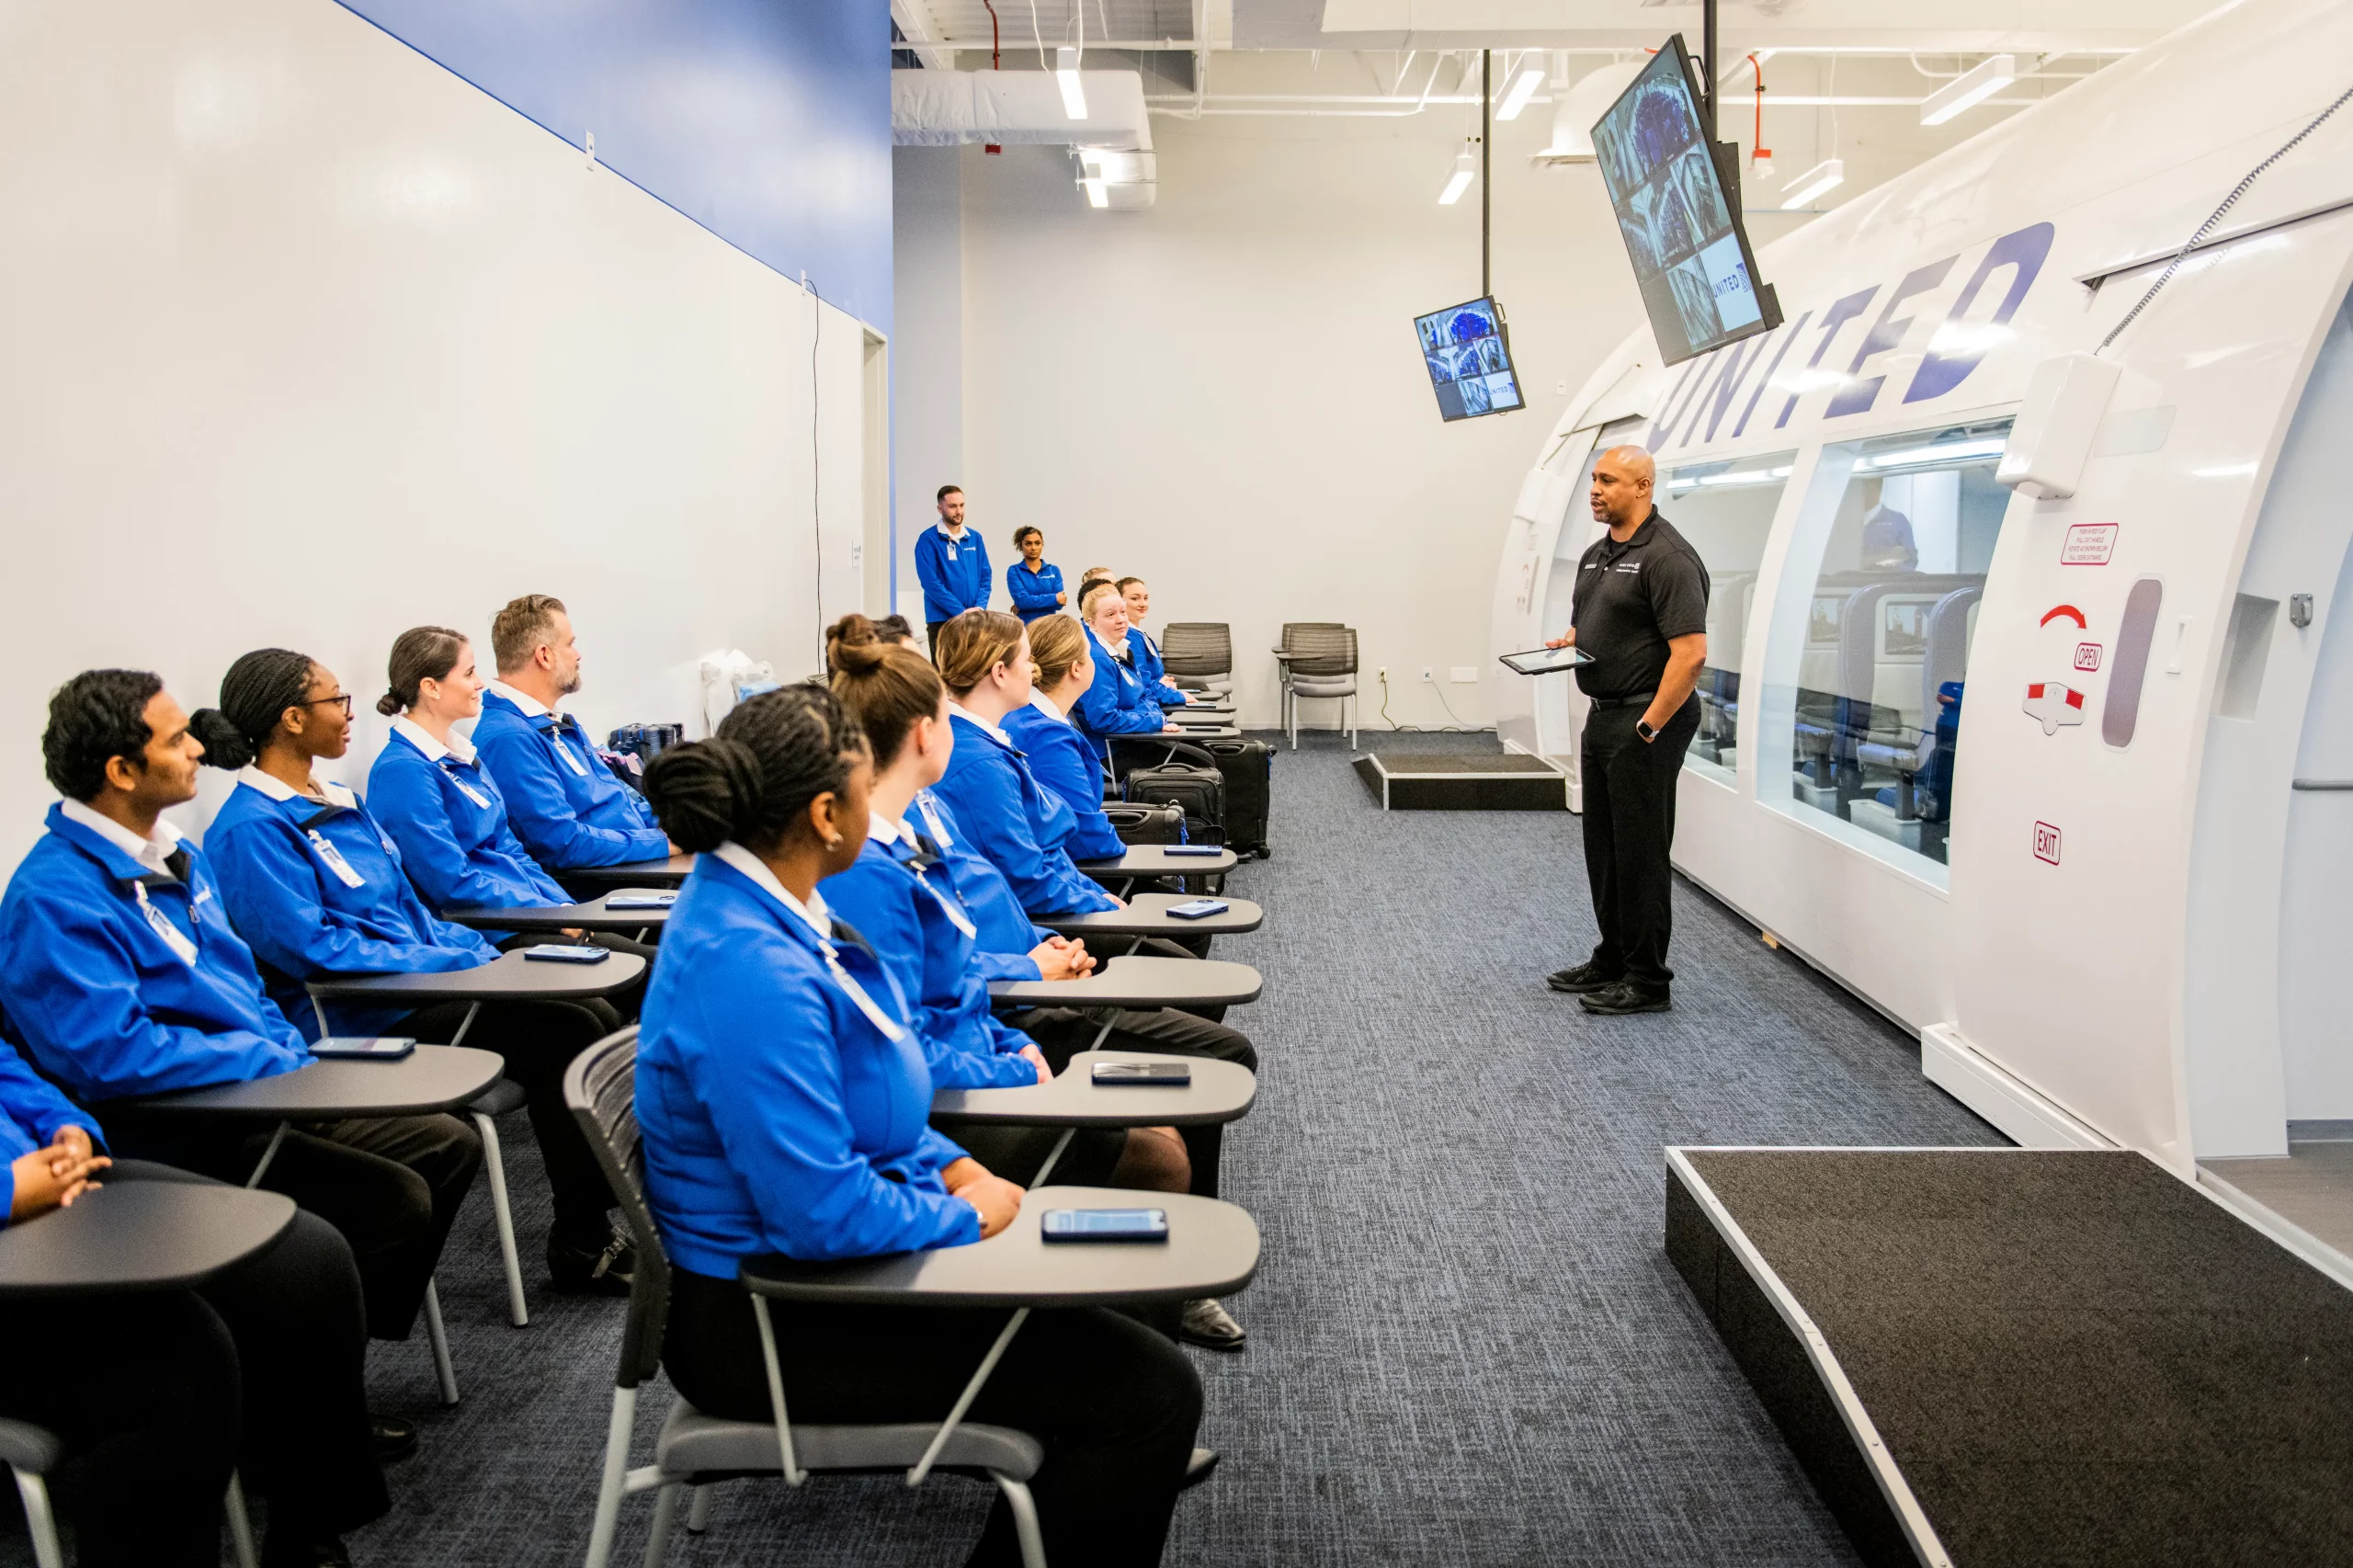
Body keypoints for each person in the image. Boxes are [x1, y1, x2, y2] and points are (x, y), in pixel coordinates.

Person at [632, 685, 1206, 1566]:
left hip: (823, 1269)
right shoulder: (746, 962)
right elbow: (818, 1213)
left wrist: (951, 1168)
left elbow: (873, 1089)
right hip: (774, 1319)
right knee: (1149, 1393)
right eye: (870, 790)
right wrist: (965, 1213)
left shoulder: (785, 913)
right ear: (826, 815)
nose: (890, 810)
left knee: (1119, 1351)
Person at [0, 668, 483, 1343]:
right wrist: (265, 1058)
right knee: (382, 1206)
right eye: (177, 741)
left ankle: (316, 1362)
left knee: (445, 1143)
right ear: (122, 770)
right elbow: (111, 1056)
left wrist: (283, 1052)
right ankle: (298, 1373)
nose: (199, 749)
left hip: (261, 1084)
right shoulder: (53, 898)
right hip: (184, 1122)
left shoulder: (178, 857)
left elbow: (245, 985)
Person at [192, 650, 636, 1292]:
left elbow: (410, 908)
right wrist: (453, 959)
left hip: (428, 978)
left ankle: (592, 1222)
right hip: (362, 1010)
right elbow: (315, 951)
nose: (351, 713)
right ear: (291, 719)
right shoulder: (250, 829)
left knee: (587, 1011)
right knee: (565, 1027)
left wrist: (471, 952)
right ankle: (582, 1238)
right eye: (335, 701)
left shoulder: (340, 801)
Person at [822, 616, 1190, 1199]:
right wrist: (1018, 1043)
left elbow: (956, 961)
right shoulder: (869, 871)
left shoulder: (914, 823)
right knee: (1162, 1149)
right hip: (963, 1075)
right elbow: (906, 1034)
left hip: (995, 1018)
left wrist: (1019, 1019)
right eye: (947, 715)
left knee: (1163, 1124)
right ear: (925, 733)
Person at [0, 1040, 393, 1568]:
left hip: (54, 1184)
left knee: (306, 1258)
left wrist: (68, 1130)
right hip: (19, 1203)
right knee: (178, 1363)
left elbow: (9, 1071)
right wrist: (11, 1190)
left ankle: (308, 1528)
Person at [367, 626, 656, 964]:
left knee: (649, 961)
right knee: (637, 974)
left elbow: (510, 849)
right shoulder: (402, 771)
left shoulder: (463, 755)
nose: (480, 683)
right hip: (491, 926)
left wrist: (562, 908)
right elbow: (451, 881)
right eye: (470, 673)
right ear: (431, 687)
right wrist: (546, 913)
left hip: (530, 911)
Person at [1543, 445, 1710, 1015]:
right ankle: (1612, 957)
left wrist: (1647, 728)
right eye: (1594, 479)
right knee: (1605, 848)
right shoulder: (1596, 556)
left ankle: (1647, 981)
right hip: (1604, 715)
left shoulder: (1669, 558)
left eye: (1609, 480)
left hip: (1646, 719)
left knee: (1640, 851)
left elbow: (1689, 656)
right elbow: (1596, 624)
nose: (1596, 489)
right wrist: (1572, 641)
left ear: (1643, 487)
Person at [930, 610, 1127, 919]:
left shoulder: (987, 741)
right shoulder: (980, 763)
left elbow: (1043, 853)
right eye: (1026, 661)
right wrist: (1099, 902)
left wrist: (1095, 893)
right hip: (1037, 922)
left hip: (1054, 900)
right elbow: (1026, 878)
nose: (1034, 671)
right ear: (1000, 673)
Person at [472, 594, 672, 871]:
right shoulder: (509, 738)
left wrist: (676, 828)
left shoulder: (560, 724)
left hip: (638, 861)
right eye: (570, 644)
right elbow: (562, 843)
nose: (578, 655)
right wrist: (661, 843)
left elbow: (619, 799)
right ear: (544, 656)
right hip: (604, 885)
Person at [1004, 614, 1128, 862]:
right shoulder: (1046, 738)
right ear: (1076, 669)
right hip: (1078, 873)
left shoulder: (1028, 716)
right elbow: (1087, 839)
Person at [1074, 582, 1183, 764]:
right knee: (1202, 761)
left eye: (1122, 612)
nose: (1121, 619)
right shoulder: (1098, 659)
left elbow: (1144, 694)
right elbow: (1103, 719)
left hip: (1133, 738)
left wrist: (1154, 717)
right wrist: (1153, 721)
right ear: (1092, 623)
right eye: (1110, 615)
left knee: (1200, 752)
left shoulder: (1122, 649)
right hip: (1109, 752)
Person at [914, 484, 993, 650]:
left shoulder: (975, 538)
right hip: (942, 621)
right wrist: (960, 612)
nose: (959, 511)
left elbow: (985, 577)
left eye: (962, 505)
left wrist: (979, 608)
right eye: (952, 506)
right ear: (940, 508)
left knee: (973, 672)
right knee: (944, 673)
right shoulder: (928, 540)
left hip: (974, 619)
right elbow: (930, 583)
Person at [1116, 577, 1193, 707]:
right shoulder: (1128, 637)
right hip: (1148, 704)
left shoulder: (1138, 633)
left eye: (1145, 598)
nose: (1142, 604)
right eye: (1135, 599)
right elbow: (1140, 683)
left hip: (1156, 697)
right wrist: (1176, 696)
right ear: (1120, 602)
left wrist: (1162, 682)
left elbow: (1149, 676)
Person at [1005, 526, 1067, 623]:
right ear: (1021, 545)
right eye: (1028, 544)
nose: (1033, 548)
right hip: (1027, 628)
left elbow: (1060, 603)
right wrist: (1054, 598)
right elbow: (1023, 601)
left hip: (1049, 628)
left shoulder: (1053, 570)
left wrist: (1027, 604)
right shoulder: (1014, 571)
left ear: (1042, 545)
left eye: (1037, 543)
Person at [1857, 478, 1919, 571]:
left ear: (1878, 488)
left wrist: (1888, 568)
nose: (1862, 493)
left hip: (1886, 583)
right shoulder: (1844, 522)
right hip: (1847, 583)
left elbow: (1910, 560)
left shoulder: (1898, 521)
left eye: (1866, 487)